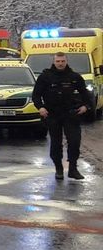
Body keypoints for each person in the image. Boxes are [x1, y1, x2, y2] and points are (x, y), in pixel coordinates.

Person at [32, 52, 91, 180]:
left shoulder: (74, 77)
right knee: (56, 143)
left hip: (71, 114)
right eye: (58, 61)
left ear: (66, 61)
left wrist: (86, 106)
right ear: (54, 62)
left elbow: (86, 94)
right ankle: (58, 168)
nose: (60, 63)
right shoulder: (45, 77)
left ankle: (73, 169)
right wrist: (40, 107)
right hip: (53, 114)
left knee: (74, 142)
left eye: (62, 61)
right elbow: (36, 95)